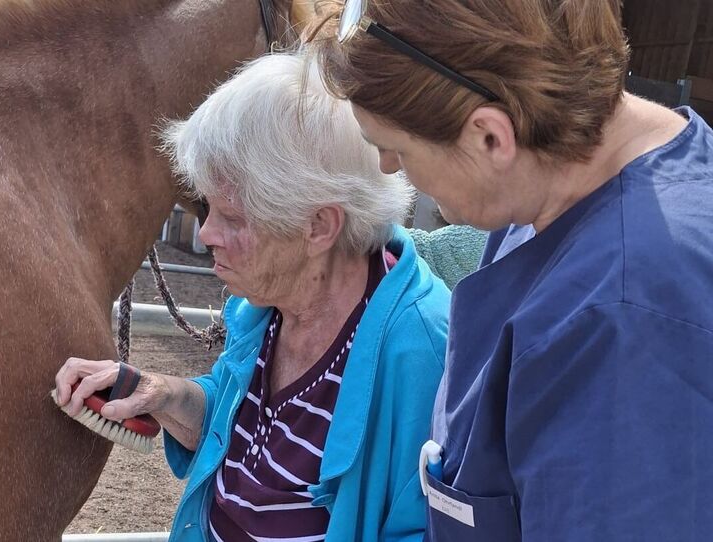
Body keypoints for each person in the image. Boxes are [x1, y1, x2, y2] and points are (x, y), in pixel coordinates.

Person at [307, 1, 713, 540]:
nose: (387, 166)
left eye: (394, 148)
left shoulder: (625, 318)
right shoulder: (547, 185)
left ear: (490, 138)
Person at [54, 52, 451, 541]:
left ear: (319, 226)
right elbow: (236, 431)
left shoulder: (424, 355)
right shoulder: (264, 307)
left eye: (234, 219)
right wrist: (165, 393)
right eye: (207, 208)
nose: (207, 235)